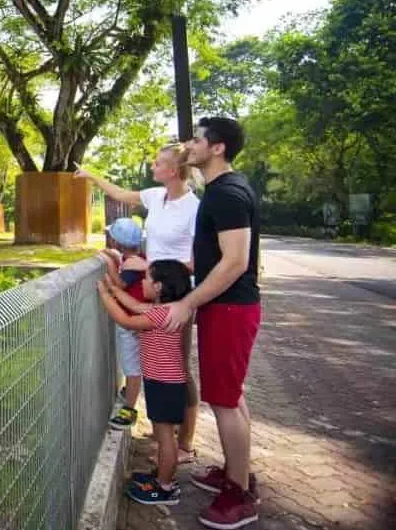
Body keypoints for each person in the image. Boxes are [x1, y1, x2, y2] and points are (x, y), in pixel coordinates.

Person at [163, 117, 261, 529]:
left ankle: (238, 495)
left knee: (224, 401)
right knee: (231, 396)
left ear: (217, 148)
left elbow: (236, 261)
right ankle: (237, 472)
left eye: (197, 139)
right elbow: (218, 254)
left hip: (229, 309)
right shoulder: (223, 190)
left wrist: (189, 301)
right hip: (226, 307)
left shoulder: (227, 194)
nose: (190, 145)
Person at [76, 145, 201, 463]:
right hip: (150, 292)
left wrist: (150, 269)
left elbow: (196, 261)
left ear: (173, 172)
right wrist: (91, 176)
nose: (152, 165)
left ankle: (183, 443)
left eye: (158, 163)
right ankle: (166, 431)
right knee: (155, 362)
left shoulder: (194, 208)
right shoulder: (154, 197)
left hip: (176, 296)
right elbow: (121, 193)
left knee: (178, 369)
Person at [97, 259, 194, 506]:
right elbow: (135, 305)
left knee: (165, 438)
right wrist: (111, 286)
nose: (142, 282)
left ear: (159, 286)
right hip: (165, 382)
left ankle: (163, 488)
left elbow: (127, 320)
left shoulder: (161, 314)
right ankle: (163, 477)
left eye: (147, 279)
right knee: (164, 436)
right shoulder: (169, 308)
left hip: (164, 383)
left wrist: (104, 295)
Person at [100, 217, 147, 430]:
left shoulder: (131, 265)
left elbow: (120, 283)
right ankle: (129, 393)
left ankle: (130, 407)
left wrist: (108, 262)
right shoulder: (138, 259)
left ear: (117, 243)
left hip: (131, 324)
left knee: (132, 367)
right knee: (131, 363)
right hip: (133, 320)